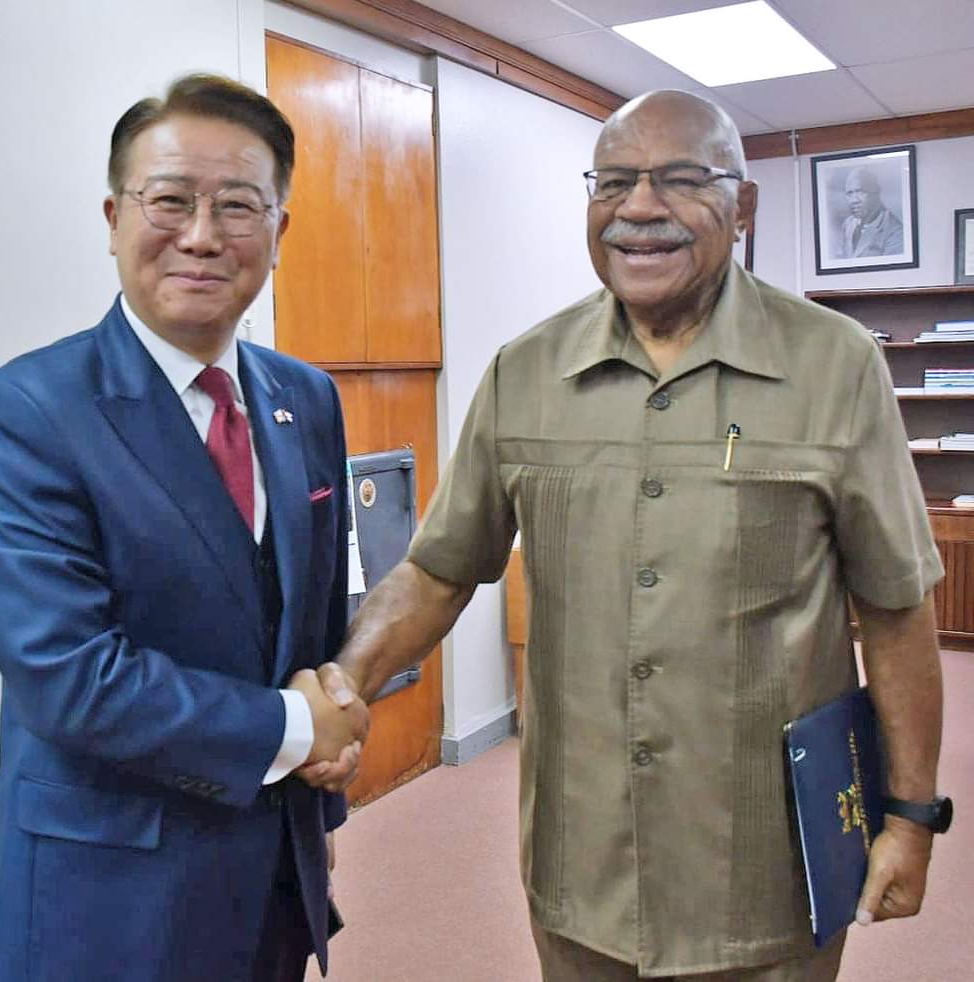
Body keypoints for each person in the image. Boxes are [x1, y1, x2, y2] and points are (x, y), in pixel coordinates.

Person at [309, 90, 949, 980]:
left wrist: (912, 816)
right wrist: (342, 687)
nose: (639, 208)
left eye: (681, 179)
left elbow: (895, 607)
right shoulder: (525, 372)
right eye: (612, 182)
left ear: (743, 208)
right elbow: (439, 570)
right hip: (583, 866)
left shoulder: (835, 365)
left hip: (765, 867)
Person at [0, 74, 367, 982]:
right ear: (112, 215)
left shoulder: (308, 398)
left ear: (280, 231)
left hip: (273, 877)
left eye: (239, 206)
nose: (203, 236)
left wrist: (318, 815)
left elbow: (316, 622)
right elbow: (71, 678)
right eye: (170, 199)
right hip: (109, 889)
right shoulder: (23, 414)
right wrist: (297, 730)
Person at [840, 167, 904, 258]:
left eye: (860, 192)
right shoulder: (848, 225)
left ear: (876, 192)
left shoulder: (895, 231)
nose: (854, 200)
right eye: (849, 193)